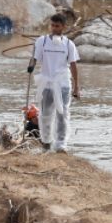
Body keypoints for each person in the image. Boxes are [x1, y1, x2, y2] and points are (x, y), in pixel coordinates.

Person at [28, 13, 81, 152]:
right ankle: (46, 141)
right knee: (45, 114)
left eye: (57, 26)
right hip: (46, 83)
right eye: (52, 25)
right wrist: (31, 66)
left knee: (62, 114)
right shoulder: (42, 41)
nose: (54, 28)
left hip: (62, 83)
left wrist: (77, 87)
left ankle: (61, 143)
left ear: (63, 27)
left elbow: (74, 65)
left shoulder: (69, 44)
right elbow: (35, 57)